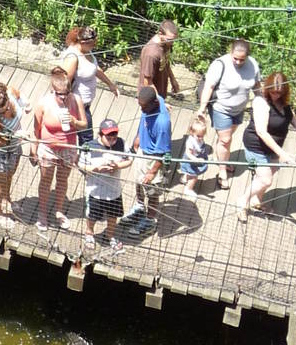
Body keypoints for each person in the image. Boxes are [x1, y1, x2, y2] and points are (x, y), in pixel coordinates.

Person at [237, 71, 296, 221]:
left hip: (274, 146)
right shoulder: (261, 102)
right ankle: (243, 201)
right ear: (267, 88)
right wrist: (282, 153)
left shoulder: (282, 102)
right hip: (257, 146)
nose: (275, 96)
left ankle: (256, 200)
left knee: (269, 173)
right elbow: (262, 132)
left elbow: (290, 114)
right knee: (265, 180)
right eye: (273, 92)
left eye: (279, 93)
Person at [29, 65, 86, 232]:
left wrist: (74, 122)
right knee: (46, 181)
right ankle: (42, 213)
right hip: (48, 149)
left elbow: (85, 124)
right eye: (60, 94)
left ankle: (59, 211)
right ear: (53, 90)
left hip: (68, 147)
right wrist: (34, 149)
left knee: (62, 180)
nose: (63, 98)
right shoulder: (43, 104)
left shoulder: (76, 100)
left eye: (66, 94)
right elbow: (36, 129)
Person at [198, 39, 261, 189]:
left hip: (239, 109)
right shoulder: (220, 64)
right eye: (235, 58)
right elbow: (209, 86)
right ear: (230, 52)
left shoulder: (253, 65)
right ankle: (222, 171)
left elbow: (257, 86)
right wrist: (202, 108)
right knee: (226, 139)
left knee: (224, 139)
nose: (238, 62)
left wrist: (262, 103)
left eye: (242, 59)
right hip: (221, 108)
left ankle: (221, 157)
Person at [79, 117, 133, 257]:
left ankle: (109, 236)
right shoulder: (89, 146)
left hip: (114, 191)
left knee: (113, 215)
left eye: (114, 134)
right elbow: (81, 165)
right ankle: (89, 234)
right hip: (95, 191)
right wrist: (97, 168)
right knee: (93, 215)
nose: (112, 138)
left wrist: (118, 166)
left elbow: (129, 160)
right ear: (100, 135)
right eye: (108, 135)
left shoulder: (121, 143)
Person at [60, 25, 118, 142]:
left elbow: (94, 68)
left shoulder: (86, 51)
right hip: (77, 106)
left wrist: (110, 84)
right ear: (82, 42)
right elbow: (63, 84)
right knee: (87, 139)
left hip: (86, 104)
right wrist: (64, 105)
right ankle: (83, 158)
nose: (94, 46)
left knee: (83, 136)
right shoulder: (73, 58)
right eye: (92, 44)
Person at [0, 80, 29, 224]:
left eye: (4, 108)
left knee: (10, 176)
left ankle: (6, 199)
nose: (2, 112)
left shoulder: (11, 91)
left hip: (15, 147)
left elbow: (20, 96)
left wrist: (26, 104)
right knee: (0, 183)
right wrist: (16, 135)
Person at [133, 85, 172, 215]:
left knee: (152, 192)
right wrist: (139, 135)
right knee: (138, 181)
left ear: (154, 103)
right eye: (140, 105)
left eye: (144, 106)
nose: (141, 109)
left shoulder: (162, 123)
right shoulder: (155, 100)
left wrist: (152, 172)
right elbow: (144, 115)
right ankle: (139, 205)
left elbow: (162, 152)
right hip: (142, 150)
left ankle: (150, 219)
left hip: (152, 157)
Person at [138, 19, 180, 101]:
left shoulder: (166, 43)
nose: (172, 43)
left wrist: (172, 79)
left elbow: (165, 62)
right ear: (160, 34)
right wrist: (160, 103)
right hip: (149, 98)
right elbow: (147, 82)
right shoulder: (151, 54)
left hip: (160, 92)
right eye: (170, 40)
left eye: (174, 39)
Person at [178, 112, 213, 195]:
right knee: (194, 176)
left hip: (199, 156)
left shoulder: (198, 137)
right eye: (198, 136)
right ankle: (188, 189)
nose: (200, 138)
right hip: (191, 160)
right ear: (191, 132)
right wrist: (196, 159)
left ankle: (185, 178)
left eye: (202, 136)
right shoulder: (191, 142)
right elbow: (188, 153)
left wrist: (203, 120)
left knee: (189, 173)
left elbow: (203, 124)